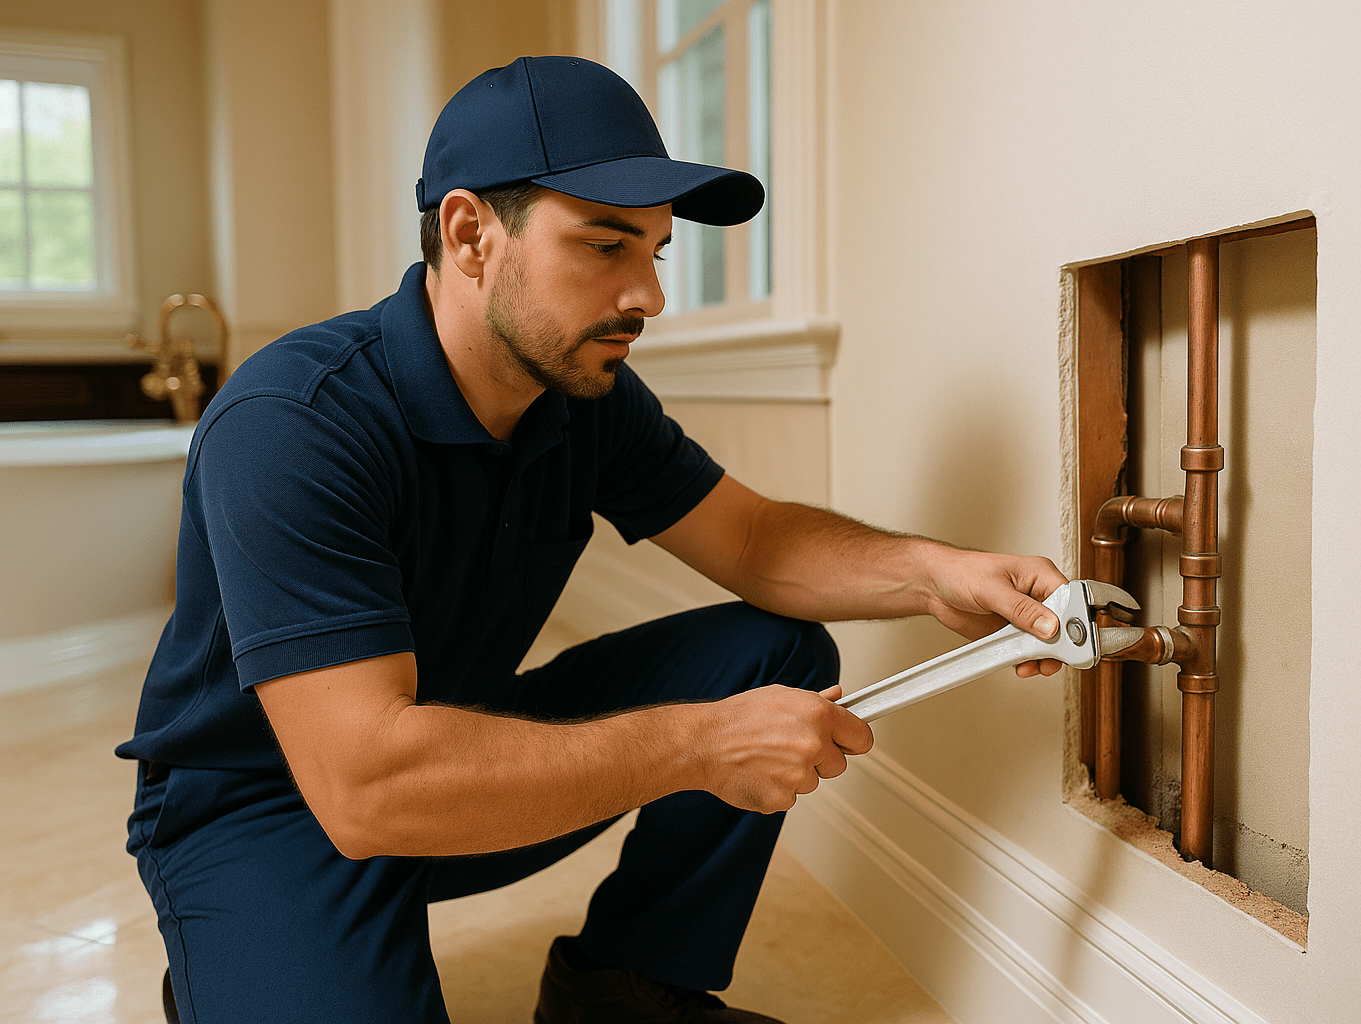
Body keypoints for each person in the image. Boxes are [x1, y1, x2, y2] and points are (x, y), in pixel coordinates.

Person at [117, 56, 1067, 1024]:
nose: (647, 296)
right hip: (269, 804)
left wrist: (935, 574)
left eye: (656, 253)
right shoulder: (295, 421)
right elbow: (366, 787)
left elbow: (755, 541)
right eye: (606, 245)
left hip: (458, 744)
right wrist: (698, 745)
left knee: (770, 652)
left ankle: (621, 992)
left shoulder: (578, 394)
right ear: (470, 234)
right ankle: (243, 942)